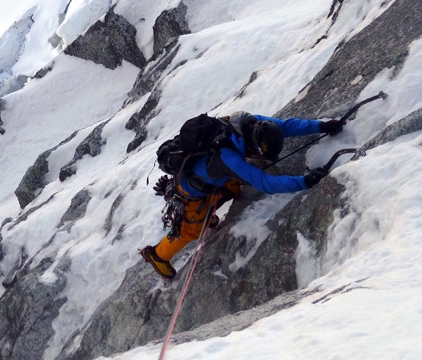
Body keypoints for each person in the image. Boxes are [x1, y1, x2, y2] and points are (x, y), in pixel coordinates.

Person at [140, 111, 345, 280]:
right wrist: (306, 181)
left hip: (213, 174)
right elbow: (265, 183)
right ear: (253, 147)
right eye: (256, 154)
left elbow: (285, 126)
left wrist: (322, 126)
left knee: (233, 186)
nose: (256, 157)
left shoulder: (248, 122)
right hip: (190, 190)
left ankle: (213, 205)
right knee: (191, 231)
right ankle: (158, 255)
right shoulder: (228, 157)